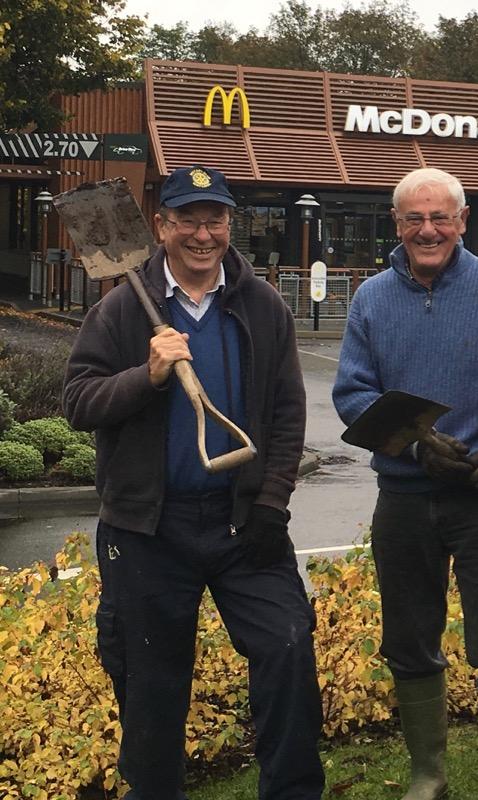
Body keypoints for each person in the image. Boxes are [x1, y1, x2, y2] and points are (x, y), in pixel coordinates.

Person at [62, 165, 323, 800]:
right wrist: (146, 375)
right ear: (161, 226)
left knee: (288, 647)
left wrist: (271, 504)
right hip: (149, 528)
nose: (203, 235)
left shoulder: (261, 306)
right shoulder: (121, 309)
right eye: (188, 220)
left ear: (230, 224)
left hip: (244, 523)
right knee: (151, 681)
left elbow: (287, 414)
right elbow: (78, 401)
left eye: (215, 219)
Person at [332, 167, 478, 800]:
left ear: (462, 222)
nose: (428, 229)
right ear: (398, 224)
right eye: (414, 218)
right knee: (408, 640)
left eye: (441, 217)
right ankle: (428, 775)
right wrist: (414, 440)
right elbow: (353, 392)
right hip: (403, 500)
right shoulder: (373, 299)